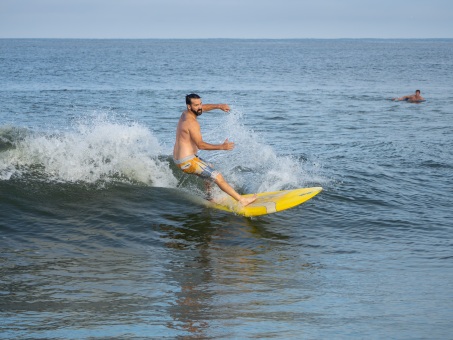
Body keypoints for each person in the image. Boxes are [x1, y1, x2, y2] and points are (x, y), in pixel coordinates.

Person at [173, 93, 257, 206]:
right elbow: (200, 145)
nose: (200, 107)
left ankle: (209, 197)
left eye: (200, 103)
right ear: (189, 106)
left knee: (209, 167)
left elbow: (202, 109)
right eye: (196, 105)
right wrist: (222, 147)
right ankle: (242, 200)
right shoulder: (192, 123)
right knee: (217, 176)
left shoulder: (185, 114)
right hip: (187, 161)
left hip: (180, 159)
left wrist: (219, 106)